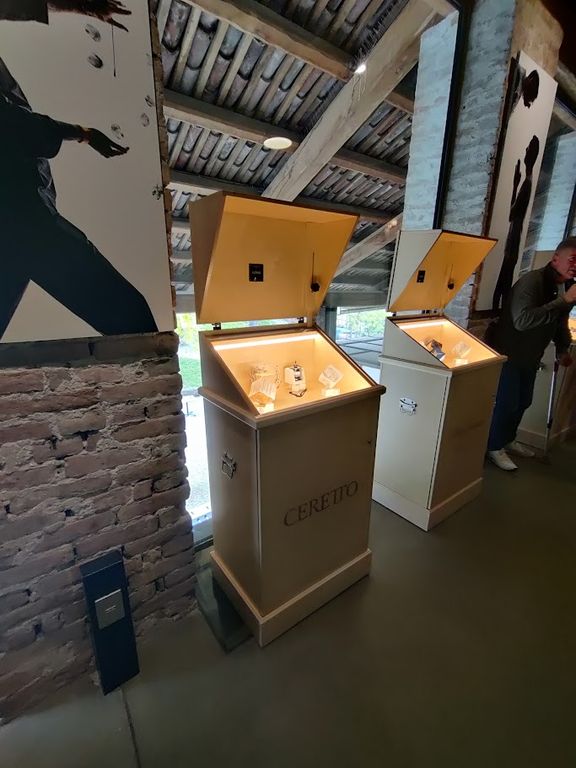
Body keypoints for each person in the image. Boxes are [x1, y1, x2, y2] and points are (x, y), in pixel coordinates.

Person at [0, 0, 159, 339]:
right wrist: (82, 133)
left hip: (20, 221)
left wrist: (75, 5)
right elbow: (17, 127)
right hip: (23, 221)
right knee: (134, 323)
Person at [486, 237, 576, 471]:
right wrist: (564, 300)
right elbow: (523, 320)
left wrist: (562, 348)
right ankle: (494, 446)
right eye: (573, 259)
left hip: (531, 355)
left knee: (524, 401)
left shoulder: (566, 285)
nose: (575, 266)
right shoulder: (532, 281)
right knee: (507, 403)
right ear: (555, 259)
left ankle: (507, 439)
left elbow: (559, 321)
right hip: (509, 352)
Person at [492, 135, 540, 312]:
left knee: (502, 286)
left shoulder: (527, 183)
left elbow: (512, 214)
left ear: (531, 155)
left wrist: (514, 185)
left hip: (513, 242)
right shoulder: (527, 181)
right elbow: (513, 214)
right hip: (513, 240)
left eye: (528, 149)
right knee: (502, 285)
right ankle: (498, 314)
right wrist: (515, 184)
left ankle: (498, 315)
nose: (526, 151)